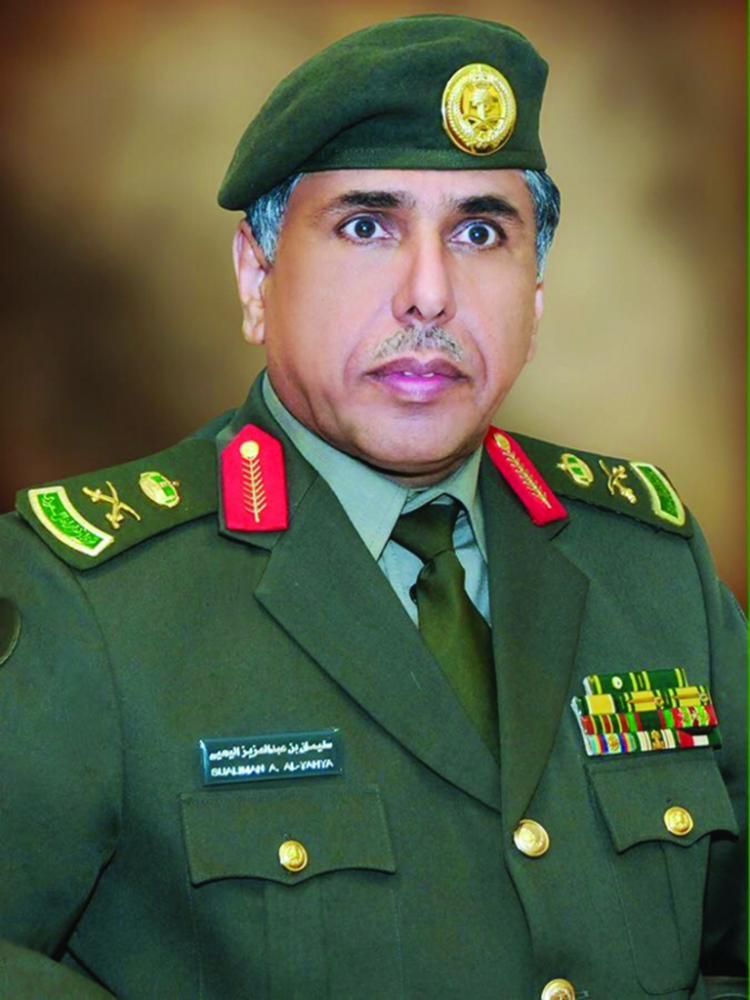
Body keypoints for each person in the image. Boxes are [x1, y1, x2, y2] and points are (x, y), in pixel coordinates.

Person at [0, 14, 745, 1000]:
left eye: (480, 232)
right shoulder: (88, 600)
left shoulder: (652, 565)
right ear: (256, 278)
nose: (429, 294)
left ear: (536, 294)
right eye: (366, 226)